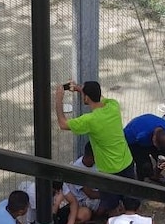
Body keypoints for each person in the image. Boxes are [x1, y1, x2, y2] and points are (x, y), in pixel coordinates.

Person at [55, 81, 136, 215]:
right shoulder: (113, 105)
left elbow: (63, 124)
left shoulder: (89, 120)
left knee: (111, 204)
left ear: (86, 98)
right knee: (131, 199)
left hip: (110, 170)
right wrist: (81, 90)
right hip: (127, 161)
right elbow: (100, 99)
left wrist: (59, 100)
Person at [123, 113, 165, 181]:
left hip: (148, 130)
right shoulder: (141, 136)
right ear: (154, 141)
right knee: (145, 166)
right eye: (157, 147)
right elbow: (128, 145)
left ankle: (155, 175)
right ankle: (142, 182)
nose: (158, 149)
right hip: (135, 142)